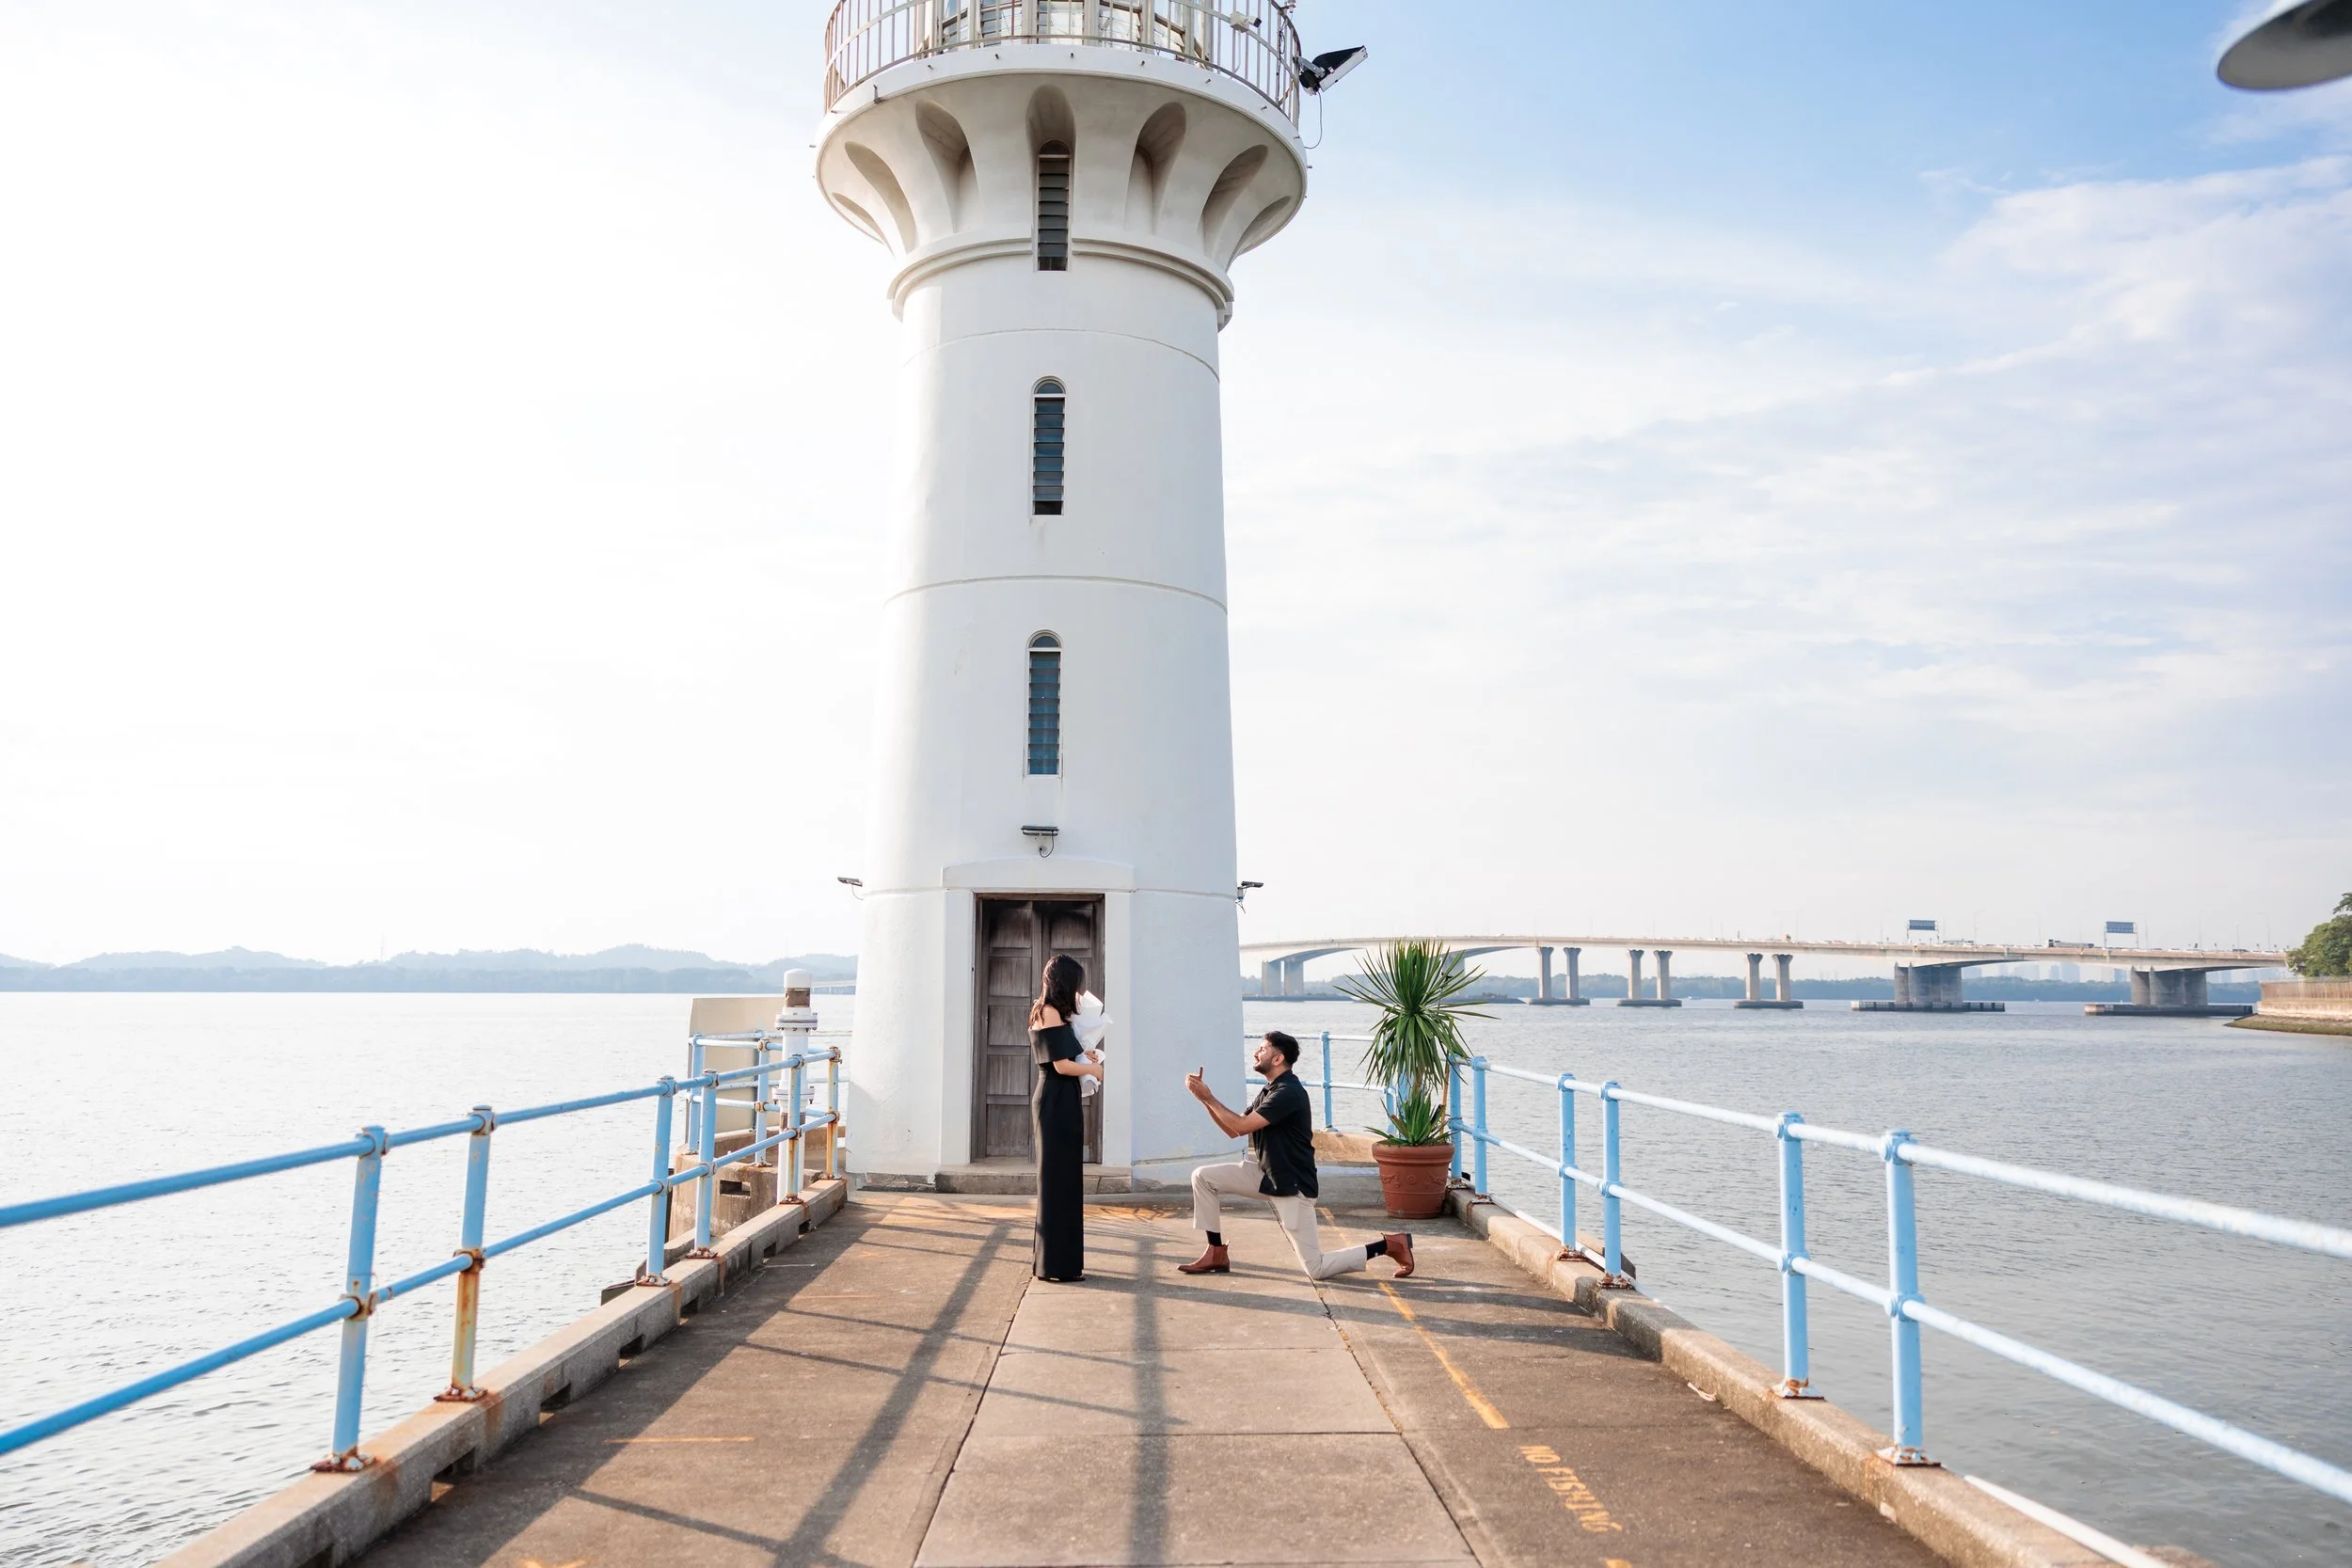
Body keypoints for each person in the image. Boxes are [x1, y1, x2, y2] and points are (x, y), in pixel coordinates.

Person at [1179, 1030, 1414, 1280]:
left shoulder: (1288, 1093)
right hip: (1266, 1175)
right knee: (1203, 1177)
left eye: (1263, 1049)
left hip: (1292, 1185)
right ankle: (1216, 1252)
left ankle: (1390, 1245)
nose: (1256, 1052)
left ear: (1278, 1059)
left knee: (1317, 1268)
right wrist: (1203, 1100)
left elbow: (1240, 1126)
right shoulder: (1269, 1091)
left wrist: (1209, 1097)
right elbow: (1233, 1130)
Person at [1028, 954, 1102, 1281]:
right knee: (1057, 1182)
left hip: (1062, 1098)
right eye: (1076, 982)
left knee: (1065, 1181)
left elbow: (1064, 1055)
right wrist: (1093, 1068)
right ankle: (1056, 1266)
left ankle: (1060, 1264)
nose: (1079, 989)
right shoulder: (1048, 1010)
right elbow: (1059, 1065)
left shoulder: (1056, 1013)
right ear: (1065, 982)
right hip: (1055, 1097)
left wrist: (1084, 1055)